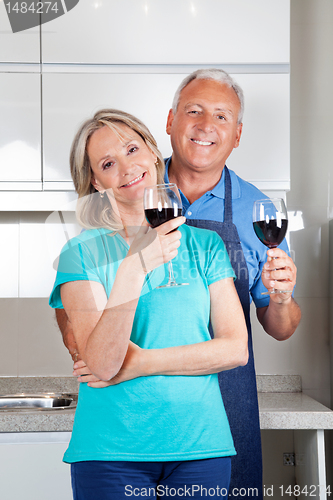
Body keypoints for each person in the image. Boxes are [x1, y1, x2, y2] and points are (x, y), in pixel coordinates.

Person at [56, 70, 301, 497]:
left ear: (238, 134)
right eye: (194, 111)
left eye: (222, 116)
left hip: (214, 416)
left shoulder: (248, 215)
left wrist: (281, 296)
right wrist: (89, 337)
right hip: (119, 434)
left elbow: (260, 335)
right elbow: (85, 339)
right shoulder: (92, 240)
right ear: (168, 123)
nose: (207, 125)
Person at [50, 109, 249, 500]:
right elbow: (105, 364)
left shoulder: (206, 247)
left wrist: (142, 362)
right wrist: (134, 267)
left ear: (154, 154)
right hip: (110, 451)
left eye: (132, 149)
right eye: (108, 163)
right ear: (96, 181)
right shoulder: (80, 255)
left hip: (199, 446)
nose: (126, 168)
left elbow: (234, 348)